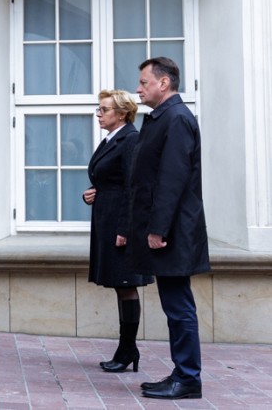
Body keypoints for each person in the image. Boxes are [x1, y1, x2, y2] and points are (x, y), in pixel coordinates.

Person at [129, 57, 209, 400]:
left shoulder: (176, 118)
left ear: (164, 83)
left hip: (173, 231)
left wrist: (158, 229)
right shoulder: (165, 117)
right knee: (175, 305)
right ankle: (182, 373)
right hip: (170, 228)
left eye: (144, 82)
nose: (138, 89)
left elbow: (172, 179)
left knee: (178, 306)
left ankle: (188, 378)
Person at [82, 89, 152, 373]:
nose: (99, 114)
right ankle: (126, 349)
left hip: (120, 225)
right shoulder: (112, 139)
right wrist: (91, 193)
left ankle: (127, 350)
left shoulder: (130, 139)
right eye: (98, 109)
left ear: (122, 114)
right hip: (106, 219)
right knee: (120, 285)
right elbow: (110, 180)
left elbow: (134, 187)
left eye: (104, 109)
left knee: (125, 285)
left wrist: (125, 229)